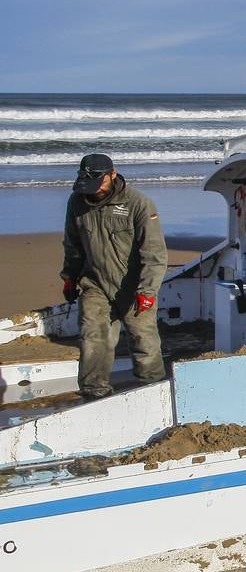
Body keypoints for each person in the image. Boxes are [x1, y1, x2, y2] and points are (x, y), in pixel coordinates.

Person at [59, 153, 168, 400]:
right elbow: (73, 244)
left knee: (144, 340)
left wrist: (147, 292)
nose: (93, 192)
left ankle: (153, 390)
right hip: (95, 282)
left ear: (113, 174)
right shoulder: (77, 202)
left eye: (98, 184)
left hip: (134, 286)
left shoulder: (138, 203)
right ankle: (94, 392)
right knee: (93, 337)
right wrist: (69, 276)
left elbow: (155, 253)